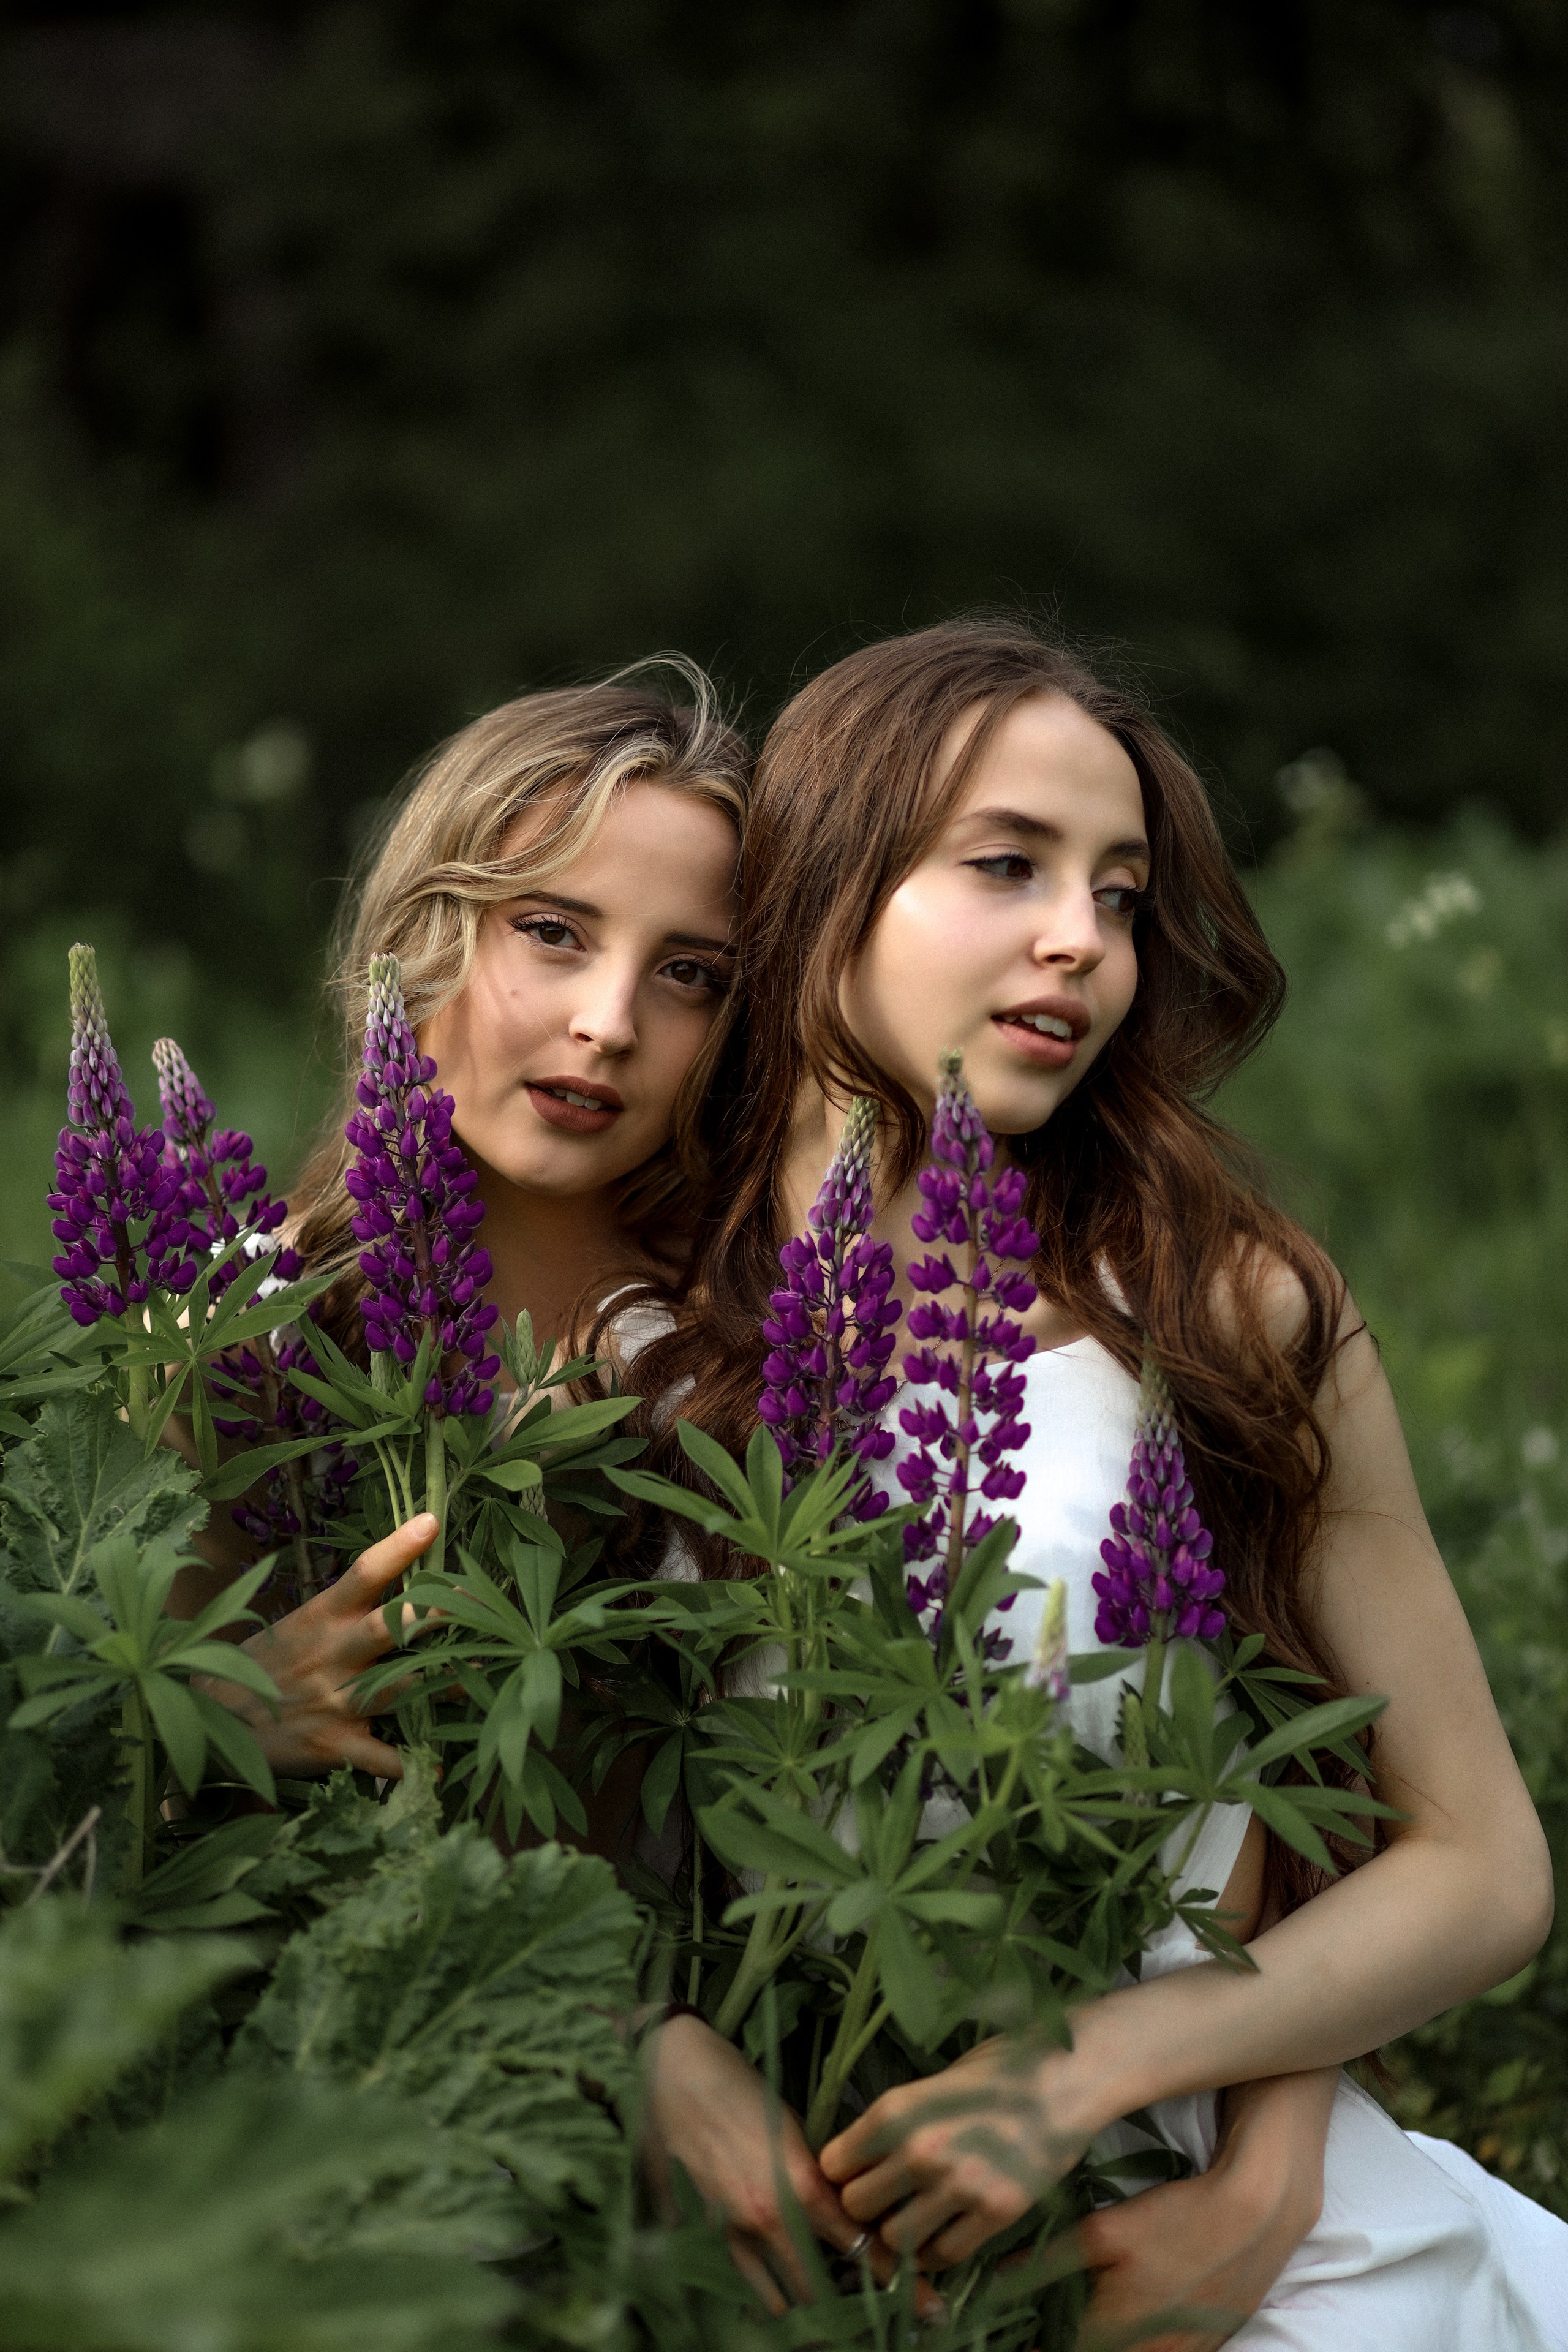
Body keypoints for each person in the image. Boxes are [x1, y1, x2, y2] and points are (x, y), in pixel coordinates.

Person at [633, 618, 1567, 2347]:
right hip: (779, 2251)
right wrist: (644, 2044)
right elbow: (523, 1837)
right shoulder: (632, 1327)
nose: (1082, 939)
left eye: (1122, 894)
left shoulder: (1225, 1301)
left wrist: (1141, 2103)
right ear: (824, 881)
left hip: (1214, 2240)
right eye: (1008, 866)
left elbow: (1479, 1864)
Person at [183, 661, 750, 1784]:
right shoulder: (255, 1316)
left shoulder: (741, 1340)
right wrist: (220, 1720)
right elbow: (97, 1746)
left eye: (689, 972)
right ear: (425, 933)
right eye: (553, 931)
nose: (610, 1022)